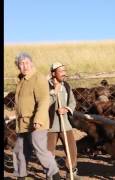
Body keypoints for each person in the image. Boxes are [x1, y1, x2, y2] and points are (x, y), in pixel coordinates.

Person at [13, 52, 60, 180]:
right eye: (21, 64)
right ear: (18, 66)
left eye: (27, 63)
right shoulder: (21, 80)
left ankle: (55, 175)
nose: (24, 66)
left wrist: (38, 119)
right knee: (19, 151)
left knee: (40, 151)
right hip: (23, 123)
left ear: (31, 63)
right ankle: (20, 177)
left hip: (36, 123)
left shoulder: (38, 78)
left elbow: (44, 100)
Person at [47, 62, 81, 180]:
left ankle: (71, 172)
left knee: (72, 149)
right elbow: (44, 103)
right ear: (53, 73)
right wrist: (54, 92)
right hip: (50, 125)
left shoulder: (66, 85)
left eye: (64, 71)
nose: (64, 73)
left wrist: (66, 109)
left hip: (65, 124)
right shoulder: (46, 86)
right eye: (61, 71)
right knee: (49, 151)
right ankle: (51, 174)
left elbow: (72, 102)